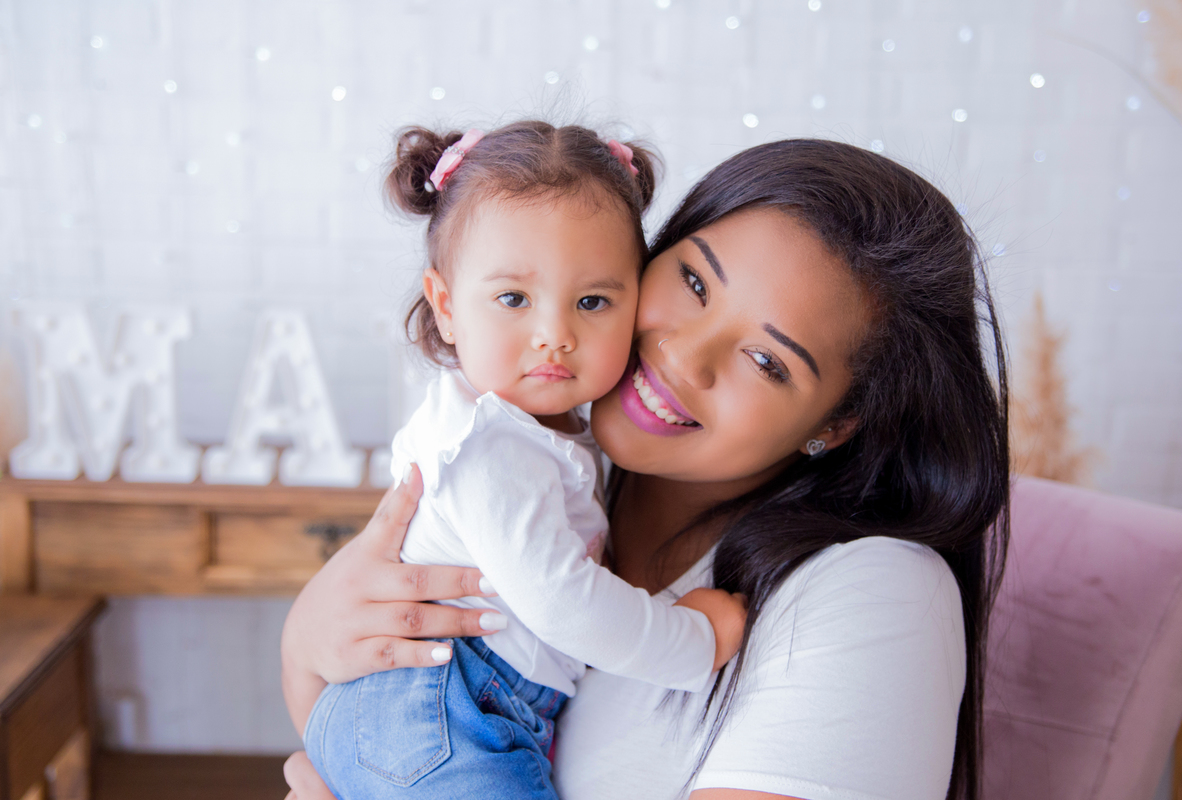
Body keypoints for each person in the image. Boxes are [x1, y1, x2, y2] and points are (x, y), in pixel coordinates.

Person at [281, 137, 1010, 800]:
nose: (684, 357)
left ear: (835, 423)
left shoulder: (876, 594)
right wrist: (305, 638)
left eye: (766, 361)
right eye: (694, 283)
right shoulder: (544, 467)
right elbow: (337, 729)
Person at [298, 121, 747, 800]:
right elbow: (561, 600)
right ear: (446, 306)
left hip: (450, 708)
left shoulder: (549, 433)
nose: (555, 336)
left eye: (592, 301)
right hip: (444, 707)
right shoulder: (493, 443)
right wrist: (691, 641)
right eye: (513, 299)